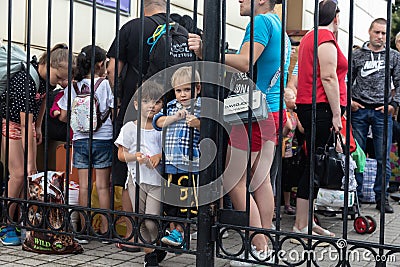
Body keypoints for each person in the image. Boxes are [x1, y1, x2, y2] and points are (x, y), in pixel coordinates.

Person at [189, 0, 287, 265]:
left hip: (253, 110)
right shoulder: (279, 25)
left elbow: (245, 62)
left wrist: (207, 52)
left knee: (234, 181)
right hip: (271, 108)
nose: (239, 1)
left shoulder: (261, 22)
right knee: (261, 180)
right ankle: (266, 247)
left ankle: (260, 248)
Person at [106, 0, 192, 251]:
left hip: (138, 105)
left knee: (127, 175)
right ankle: (169, 228)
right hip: (170, 105)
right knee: (167, 171)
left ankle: (134, 235)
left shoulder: (133, 28)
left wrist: (120, 97)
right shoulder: (181, 29)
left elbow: (113, 69)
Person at [0, 43, 70, 246]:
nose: (62, 83)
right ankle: (6, 223)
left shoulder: (46, 82)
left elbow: (41, 105)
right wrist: (31, 163)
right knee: (20, 174)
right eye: (59, 77)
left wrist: (38, 127)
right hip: (12, 124)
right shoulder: (26, 80)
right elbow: (22, 123)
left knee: (27, 175)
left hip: (26, 125)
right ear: (47, 64)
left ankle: (20, 220)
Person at [294, 0, 346, 241]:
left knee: (313, 163)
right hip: (321, 109)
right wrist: (337, 114)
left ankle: (307, 222)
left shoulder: (310, 36)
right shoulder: (324, 37)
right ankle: (301, 225)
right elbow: (328, 77)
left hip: (313, 108)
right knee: (314, 165)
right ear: (335, 17)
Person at [58, 45, 114, 242]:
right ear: (100, 64)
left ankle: (84, 230)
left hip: (80, 140)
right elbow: (112, 110)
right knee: (102, 186)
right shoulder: (104, 84)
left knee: (83, 186)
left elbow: (64, 116)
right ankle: (107, 231)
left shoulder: (73, 87)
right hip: (103, 139)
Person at [351, 18, 400, 213]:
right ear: (369, 32)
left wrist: (393, 105)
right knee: (356, 156)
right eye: (376, 32)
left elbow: (399, 82)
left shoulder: (394, 57)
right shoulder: (357, 55)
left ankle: (382, 198)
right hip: (359, 109)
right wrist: (349, 103)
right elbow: (347, 79)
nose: (380, 37)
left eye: (383, 33)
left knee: (383, 158)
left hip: (382, 111)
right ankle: (355, 199)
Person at [114, 81, 164, 266]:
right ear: (136, 104)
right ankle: (150, 256)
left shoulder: (162, 129)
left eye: (157, 102)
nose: (152, 106)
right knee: (140, 219)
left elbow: (168, 151)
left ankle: (159, 244)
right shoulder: (129, 128)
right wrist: (134, 156)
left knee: (151, 220)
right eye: (146, 101)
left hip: (156, 181)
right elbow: (120, 154)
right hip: (135, 179)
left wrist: (159, 156)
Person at [153, 66, 201, 249]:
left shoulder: (201, 106)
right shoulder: (171, 107)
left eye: (187, 90)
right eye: (178, 90)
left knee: (186, 205)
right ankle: (178, 236)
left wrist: (197, 123)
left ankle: (180, 234)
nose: (182, 94)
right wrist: (174, 117)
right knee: (171, 204)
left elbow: (210, 129)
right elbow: (157, 122)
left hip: (189, 165)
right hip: (170, 164)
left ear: (197, 89)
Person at [282, 88, 304, 215]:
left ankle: (287, 204)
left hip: (290, 151)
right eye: (292, 98)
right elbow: (288, 127)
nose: (295, 99)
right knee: (277, 177)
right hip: (281, 149)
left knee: (288, 179)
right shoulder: (283, 112)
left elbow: (301, 129)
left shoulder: (295, 114)